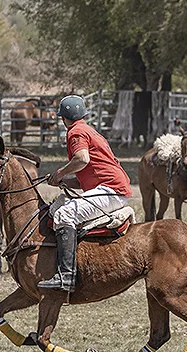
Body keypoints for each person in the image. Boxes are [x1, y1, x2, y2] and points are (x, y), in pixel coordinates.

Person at [39, 95, 132, 292]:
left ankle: (66, 276)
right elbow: (86, 176)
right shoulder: (88, 129)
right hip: (112, 188)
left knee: (65, 214)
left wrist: (60, 172)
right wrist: (63, 181)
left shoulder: (76, 131)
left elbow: (82, 159)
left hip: (111, 189)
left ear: (64, 117)